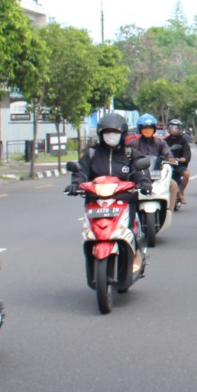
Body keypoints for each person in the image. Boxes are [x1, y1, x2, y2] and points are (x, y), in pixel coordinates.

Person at [70, 112, 152, 275]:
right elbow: (81, 173)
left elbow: (140, 170)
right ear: (101, 134)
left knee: (132, 226)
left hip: (124, 200)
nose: (111, 136)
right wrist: (75, 184)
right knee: (90, 231)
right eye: (107, 132)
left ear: (122, 134)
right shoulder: (91, 154)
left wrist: (144, 182)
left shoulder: (130, 154)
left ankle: (136, 253)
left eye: (115, 132)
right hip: (95, 200)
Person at [164, 118, 193, 207]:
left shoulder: (183, 141)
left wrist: (184, 158)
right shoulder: (165, 141)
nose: (174, 129)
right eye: (172, 127)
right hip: (166, 164)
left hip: (178, 165)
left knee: (186, 174)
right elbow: (160, 151)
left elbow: (187, 153)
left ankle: (180, 193)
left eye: (176, 127)